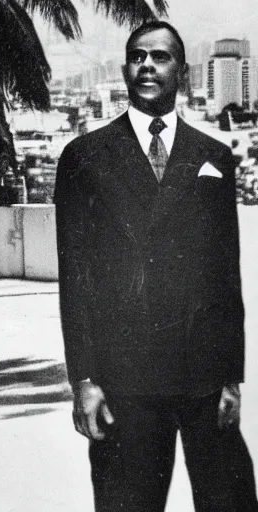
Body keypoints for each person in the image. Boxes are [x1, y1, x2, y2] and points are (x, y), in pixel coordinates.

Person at [54, 21, 258, 511]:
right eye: (137, 55)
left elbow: (225, 274)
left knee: (233, 501)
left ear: (182, 72)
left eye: (160, 56)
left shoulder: (213, 157)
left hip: (203, 377)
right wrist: (84, 382)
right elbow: (75, 282)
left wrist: (232, 376)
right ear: (125, 67)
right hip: (127, 381)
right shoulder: (84, 157)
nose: (147, 64)